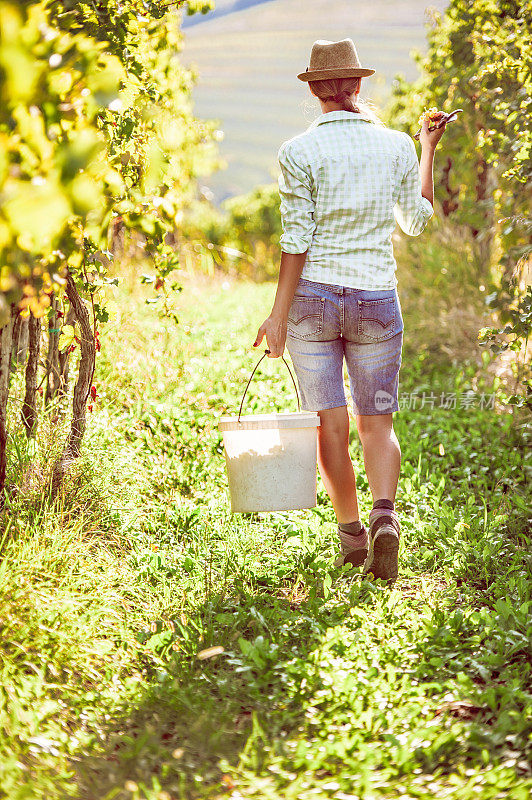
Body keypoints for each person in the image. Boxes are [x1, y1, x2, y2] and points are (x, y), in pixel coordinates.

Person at [253, 38, 448, 583]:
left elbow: (296, 241)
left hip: (314, 300)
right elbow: (416, 220)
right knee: (377, 422)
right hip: (376, 302)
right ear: (358, 86)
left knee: (329, 428)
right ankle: (386, 516)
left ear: (315, 89)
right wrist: (425, 147)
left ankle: (353, 536)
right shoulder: (395, 147)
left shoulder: (298, 151)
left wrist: (276, 315)